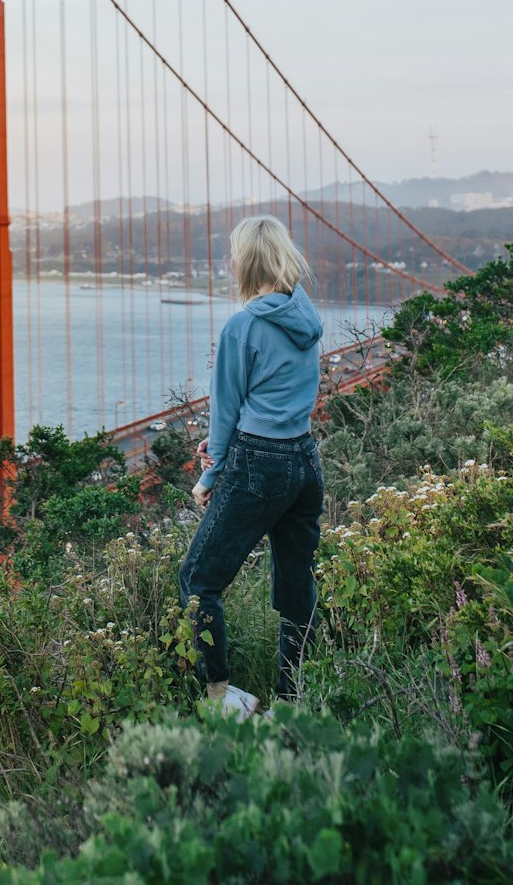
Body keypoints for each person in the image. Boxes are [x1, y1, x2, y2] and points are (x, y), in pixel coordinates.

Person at [178, 214, 325, 708]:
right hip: (304, 463)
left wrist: (210, 473)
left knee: (197, 580)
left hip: (258, 465)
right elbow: (284, 399)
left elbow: (226, 410)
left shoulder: (242, 325)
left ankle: (222, 697)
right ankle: (290, 700)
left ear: (244, 262)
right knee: (295, 589)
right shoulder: (306, 316)